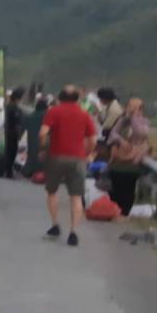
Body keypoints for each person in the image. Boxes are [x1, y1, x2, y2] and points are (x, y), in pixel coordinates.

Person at [39, 85, 98, 247]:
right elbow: (93, 140)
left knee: (52, 192)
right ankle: (73, 233)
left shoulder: (53, 111)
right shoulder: (84, 114)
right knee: (76, 196)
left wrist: (44, 149)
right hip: (78, 159)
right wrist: (88, 153)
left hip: (56, 157)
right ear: (78, 99)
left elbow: (43, 133)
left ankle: (55, 225)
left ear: (59, 97)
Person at [106, 98, 151, 215]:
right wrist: (121, 140)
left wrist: (133, 118)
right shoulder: (122, 120)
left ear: (141, 110)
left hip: (131, 166)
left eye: (135, 107)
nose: (131, 109)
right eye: (130, 106)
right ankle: (115, 212)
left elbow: (140, 134)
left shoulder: (144, 121)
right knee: (115, 191)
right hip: (117, 164)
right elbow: (113, 134)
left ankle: (124, 213)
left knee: (128, 192)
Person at [22, 98, 49, 177]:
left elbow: (22, 129)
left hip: (32, 144)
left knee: (32, 155)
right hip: (45, 144)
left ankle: (30, 170)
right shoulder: (49, 116)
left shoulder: (29, 117)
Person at [2, 87, 25, 179]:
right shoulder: (13, 107)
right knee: (11, 152)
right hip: (11, 133)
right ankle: (8, 172)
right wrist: (18, 133)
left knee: (11, 151)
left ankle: (8, 171)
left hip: (10, 132)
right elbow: (16, 122)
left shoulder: (10, 106)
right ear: (17, 98)